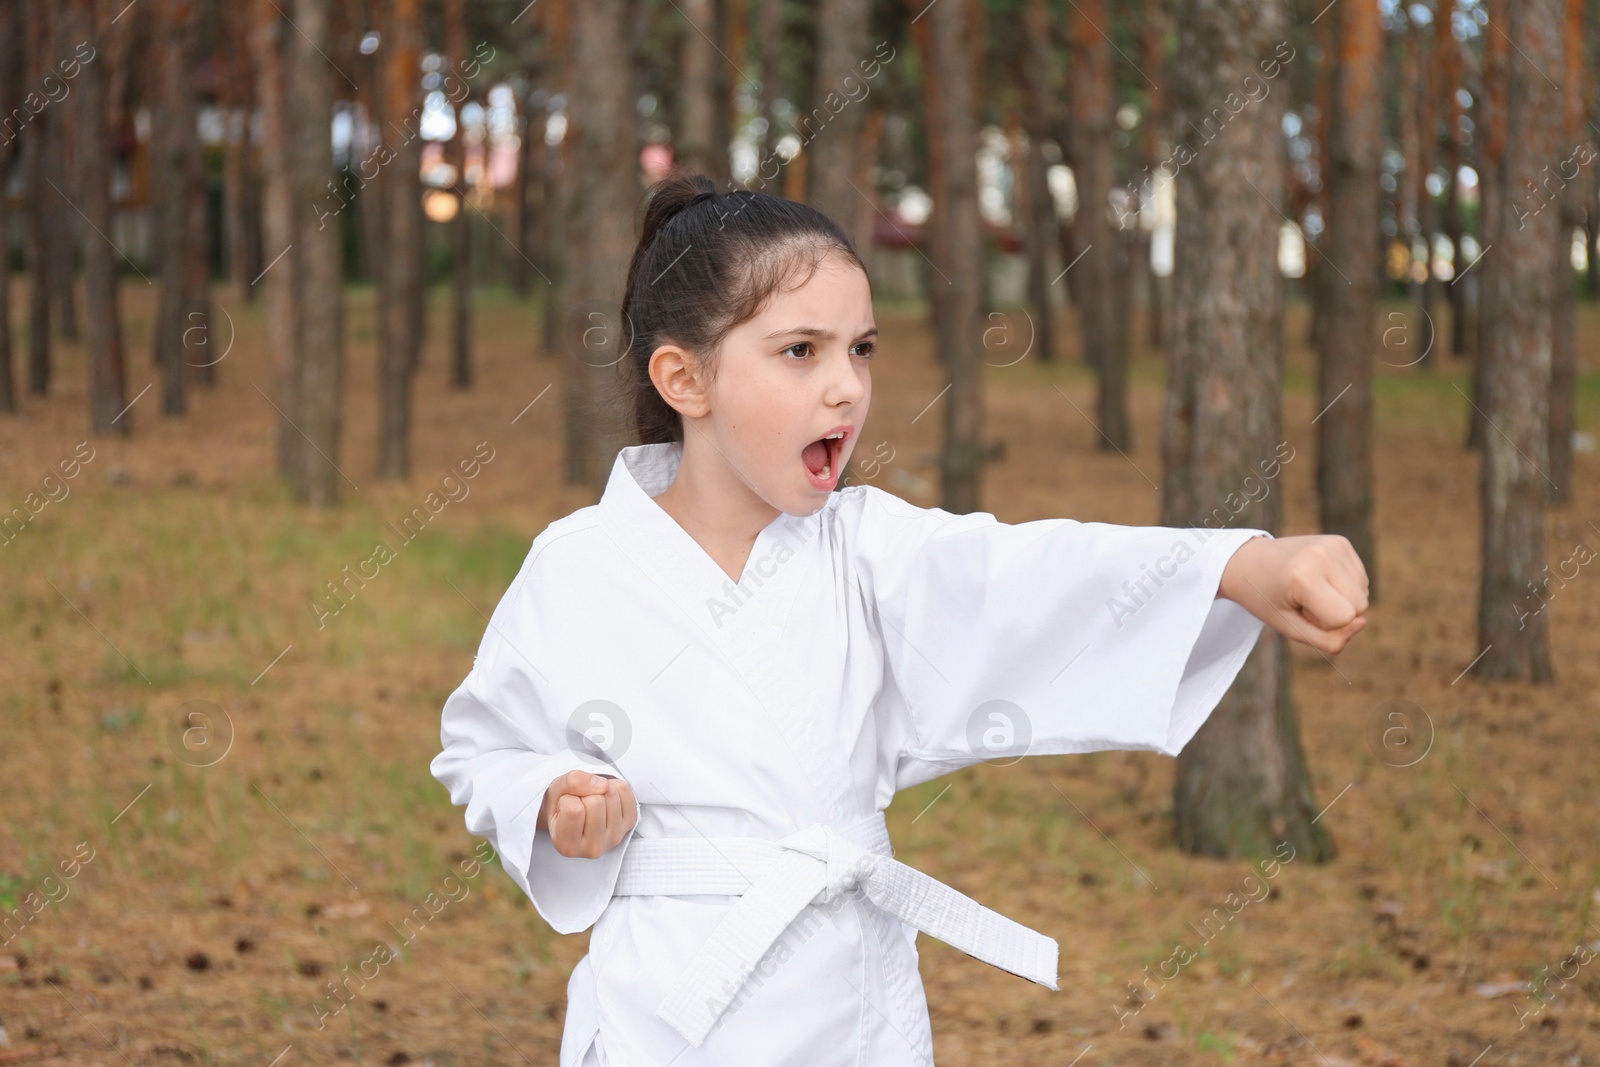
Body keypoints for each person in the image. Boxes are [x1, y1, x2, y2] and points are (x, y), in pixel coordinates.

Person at [429, 172, 1368, 1066]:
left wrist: (1239, 565)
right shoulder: (580, 565)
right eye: (802, 351)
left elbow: (1029, 575)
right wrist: (554, 800)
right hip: (664, 1006)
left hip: (849, 1000)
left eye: (861, 349)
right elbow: (485, 744)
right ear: (685, 379)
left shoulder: (868, 550)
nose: (847, 386)